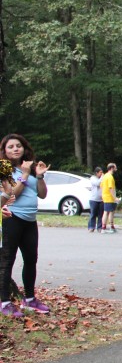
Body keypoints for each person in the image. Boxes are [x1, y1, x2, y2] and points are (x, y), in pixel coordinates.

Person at [0, 134, 50, 317]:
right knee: (7, 260)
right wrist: (25, 174)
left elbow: (42, 194)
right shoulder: (4, 168)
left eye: (18, 145)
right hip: (12, 218)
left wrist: (39, 176)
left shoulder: (31, 166)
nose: (15, 149)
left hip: (30, 220)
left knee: (31, 259)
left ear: (24, 148)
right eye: (11, 146)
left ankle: (29, 300)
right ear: (4, 151)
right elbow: (11, 195)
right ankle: (4, 302)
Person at [100, 163, 120, 233]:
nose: (116, 169)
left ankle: (111, 226)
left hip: (106, 196)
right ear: (111, 168)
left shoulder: (105, 176)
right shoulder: (110, 177)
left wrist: (103, 194)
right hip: (109, 197)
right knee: (107, 212)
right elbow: (111, 188)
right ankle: (104, 228)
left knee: (110, 212)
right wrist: (115, 198)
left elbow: (101, 186)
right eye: (115, 168)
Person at [87, 167, 103, 232]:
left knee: (100, 214)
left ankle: (99, 227)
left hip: (101, 199)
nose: (101, 174)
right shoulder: (93, 178)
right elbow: (97, 183)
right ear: (97, 173)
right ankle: (91, 227)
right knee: (93, 214)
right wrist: (102, 178)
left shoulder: (102, 179)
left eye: (102, 172)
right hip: (93, 199)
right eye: (100, 172)